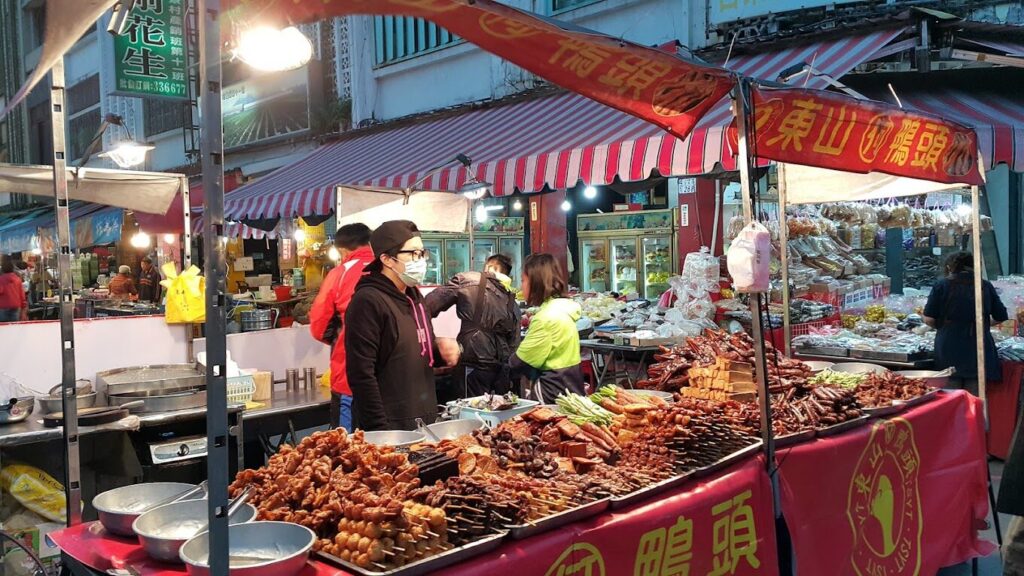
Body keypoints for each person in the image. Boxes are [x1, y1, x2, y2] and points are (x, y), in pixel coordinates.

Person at [344, 220, 460, 431]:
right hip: (390, 427)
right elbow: (361, 374)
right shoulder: (368, 301)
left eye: (422, 253)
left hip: (424, 420)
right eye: (413, 254)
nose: (421, 260)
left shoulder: (415, 296)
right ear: (387, 259)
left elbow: (410, 348)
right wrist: (380, 430)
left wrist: (439, 349)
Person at [425, 254, 522, 397]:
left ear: (490, 267)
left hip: (471, 363)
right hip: (500, 372)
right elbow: (514, 345)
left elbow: (426, 307)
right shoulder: (513, 304)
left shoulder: (467, 280)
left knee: (468, 411)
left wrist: (433, 341)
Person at [309, 223, 375, 431]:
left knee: (346, 451)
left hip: (349, 377)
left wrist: (340, 337)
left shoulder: (340, 274)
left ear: (342, 249)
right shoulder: (390, 268)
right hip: (390, 380)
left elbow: (319, 325)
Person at [922, 251, 1008, 395]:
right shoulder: (984, 286)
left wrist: (943, 326)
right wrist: (982, 325)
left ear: (950, 267)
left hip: (949, 344)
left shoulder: (941, 285)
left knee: (950, 396)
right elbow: (1001, 316)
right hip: (978, 344)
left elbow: (929, 319)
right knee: (974, 397)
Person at [509, 253, 585, 403]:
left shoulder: (546, 318)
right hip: (571, 385)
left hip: (552, 392)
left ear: (536, 282)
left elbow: (520, 362)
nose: (521, 286)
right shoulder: (563, 309)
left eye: (524, 280)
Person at [0, 256, 27, 323]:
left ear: (3, 269)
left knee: (4, 328)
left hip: (3, 307)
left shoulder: (1, 279)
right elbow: (22, 295)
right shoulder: (18, 279)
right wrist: (24, 308)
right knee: (14, 327)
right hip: (16, 307)